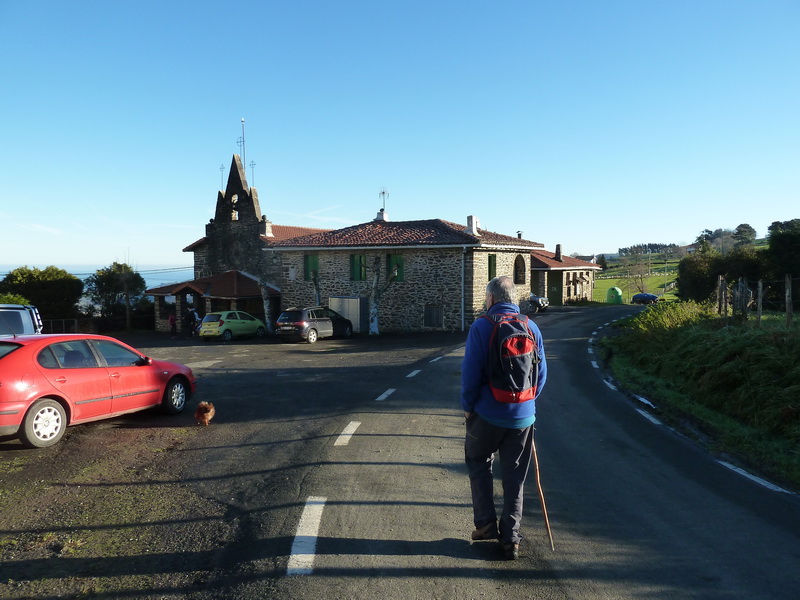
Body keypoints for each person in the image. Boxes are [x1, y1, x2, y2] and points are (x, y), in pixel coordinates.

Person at [461, 275, 548, 560]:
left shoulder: (481, 326)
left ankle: (485, 524)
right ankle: (511, 538)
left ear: (491, 299)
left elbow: (470, 375)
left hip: (487, 413)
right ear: (514, 300)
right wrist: (526, 405)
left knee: (478, 460)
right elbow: (542, 374)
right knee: (515, 477)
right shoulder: (531, 327)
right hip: (523, 417)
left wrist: (467, 407)